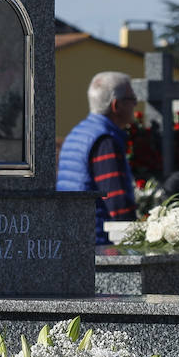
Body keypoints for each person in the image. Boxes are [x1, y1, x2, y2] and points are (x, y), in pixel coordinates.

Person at [57, 72, 139, 244]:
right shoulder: (105, 141)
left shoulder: (77, 132)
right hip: (98, 241)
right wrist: (136, 238)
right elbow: (116, 200)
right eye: (132, 99)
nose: (136, 105)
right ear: (116, 105)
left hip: (71, 233)